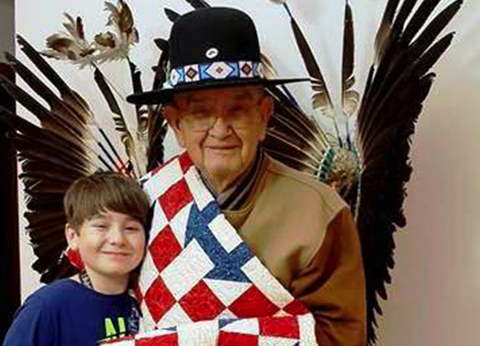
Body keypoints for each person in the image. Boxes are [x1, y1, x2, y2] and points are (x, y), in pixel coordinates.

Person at [125, 7, 366, 346]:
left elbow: (338, 338)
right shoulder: (139, 202)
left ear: (264, 116)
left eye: (237, 109)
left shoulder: (319, 212)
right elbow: (108, 307)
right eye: (200, 113)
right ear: (176, 124)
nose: (220, 129)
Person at [3, 172, 150, 346]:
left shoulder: (150, 302)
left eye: (131, 228)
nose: (117, 239)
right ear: (73, 236)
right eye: (101, 226)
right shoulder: (47, 308)